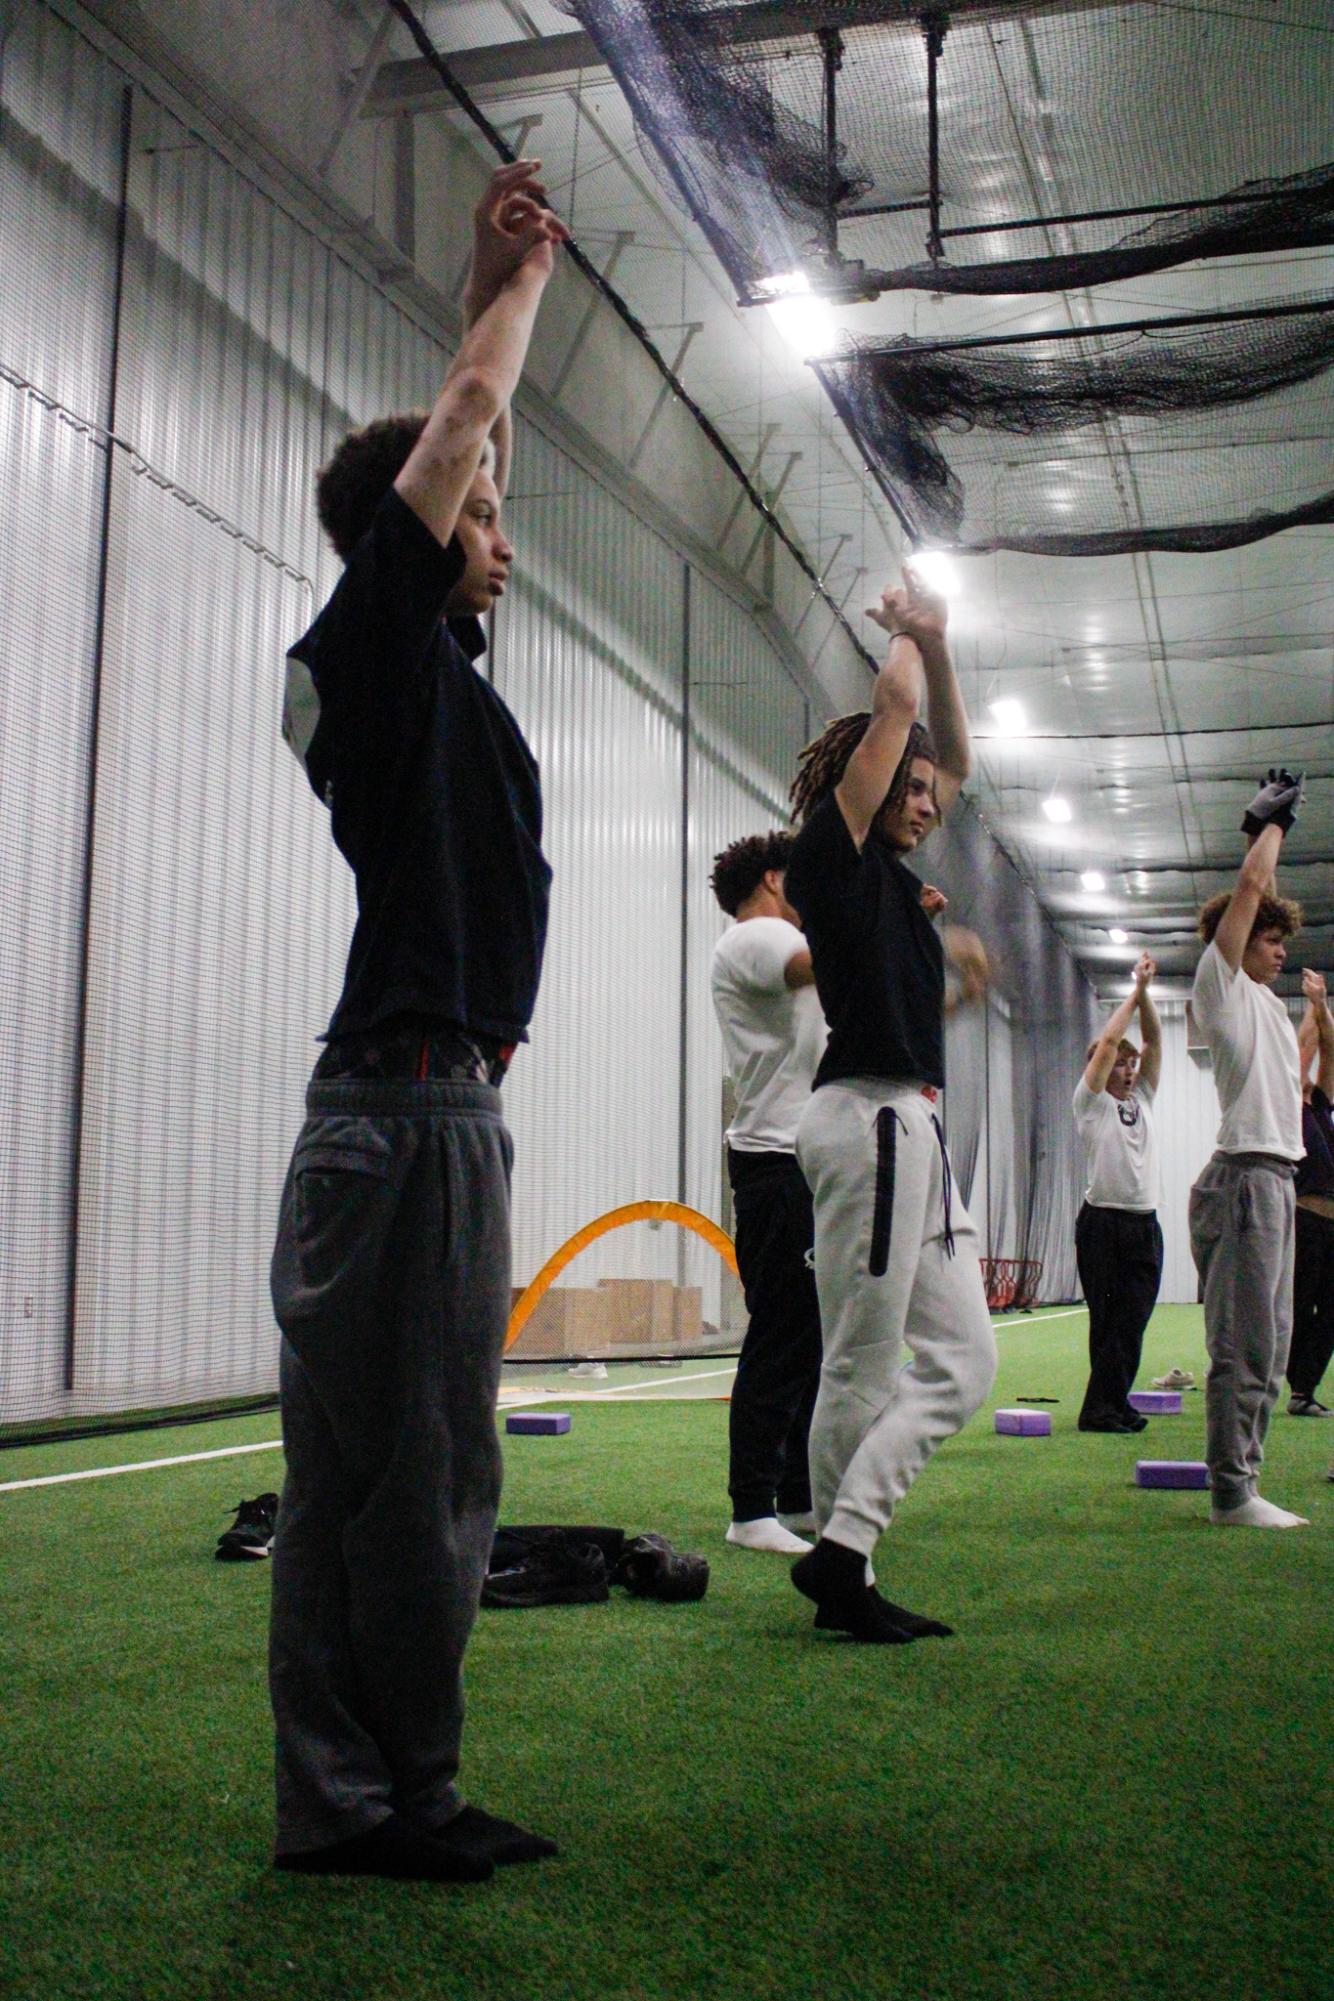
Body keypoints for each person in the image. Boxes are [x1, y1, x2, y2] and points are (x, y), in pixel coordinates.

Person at [267, 161, 572, 1881]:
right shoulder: (370, 649)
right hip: (401, 1121)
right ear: (414, 522)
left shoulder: (437, 685)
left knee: (383, 1480)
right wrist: (501, 284)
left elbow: (467, 440)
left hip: (416, 1113)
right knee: (421, 1477)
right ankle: (398, 1801)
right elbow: (463, 414)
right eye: (478, 506)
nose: (500, 529)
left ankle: (353, 1804)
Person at [782, 565, 998, 1644]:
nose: (926, 799)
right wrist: (913, 636)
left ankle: (837, 1552)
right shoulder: (829, 856)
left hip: (909, 1126)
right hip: (864, 1122)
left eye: (927, 794)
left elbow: (950, 752)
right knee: (860, 1362)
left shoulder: (899, 889)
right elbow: (907, 717)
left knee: (966, 1360)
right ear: (862, 783)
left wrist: (944, 642)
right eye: (905, 787)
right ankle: (845, 1564)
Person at [1188, 770, 1309, 1529]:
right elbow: (1252, 885)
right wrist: (1270, 827)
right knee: (1242, 1345)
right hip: (1243, 1182)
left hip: (1276, 1181)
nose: (1279, 952)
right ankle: (1232, 1491)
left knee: (1274, 1345)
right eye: (1269, 939)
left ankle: (1247, 1479)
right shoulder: (1220, 983)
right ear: (1236, 941)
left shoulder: (1268, 1004)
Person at [709, 831, 825, 1556]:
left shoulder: (781, 945)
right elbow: (821, 960)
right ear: (775, 880)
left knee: (810, 1335)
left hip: (801, 1161)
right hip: (773, 1165)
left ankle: (798, 1495)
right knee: (784, 1333)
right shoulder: (756, 937)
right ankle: (750, 1507)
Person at [1073, 952, 1163, 1434]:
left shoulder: (1143, 1099)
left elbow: (1153, 1039)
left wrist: (1146, 994)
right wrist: (1134, 988)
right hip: (1102, 1223)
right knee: (1108, 1323)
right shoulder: (1089, 1104)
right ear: (1100, 1069)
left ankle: (1105, 1405)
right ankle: (1105, 1408)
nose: (1129, 1070)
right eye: (1120, 1064)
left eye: (1132, 1065)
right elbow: (1109, 1040)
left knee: (1132, 1320)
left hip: (1143, 1223)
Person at [1287, 969, 1334, 1416]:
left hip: (1331, 1223)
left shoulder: (1319, 1104)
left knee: (1330, 1312)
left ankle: (1304, 1387)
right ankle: (1296, 1387)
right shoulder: (1286, 1103)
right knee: (1300, 1308)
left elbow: (1328, 1049)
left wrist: (1322, 1006)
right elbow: (1305, 1049)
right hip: (1303, 1221)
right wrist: (1310, 1006)